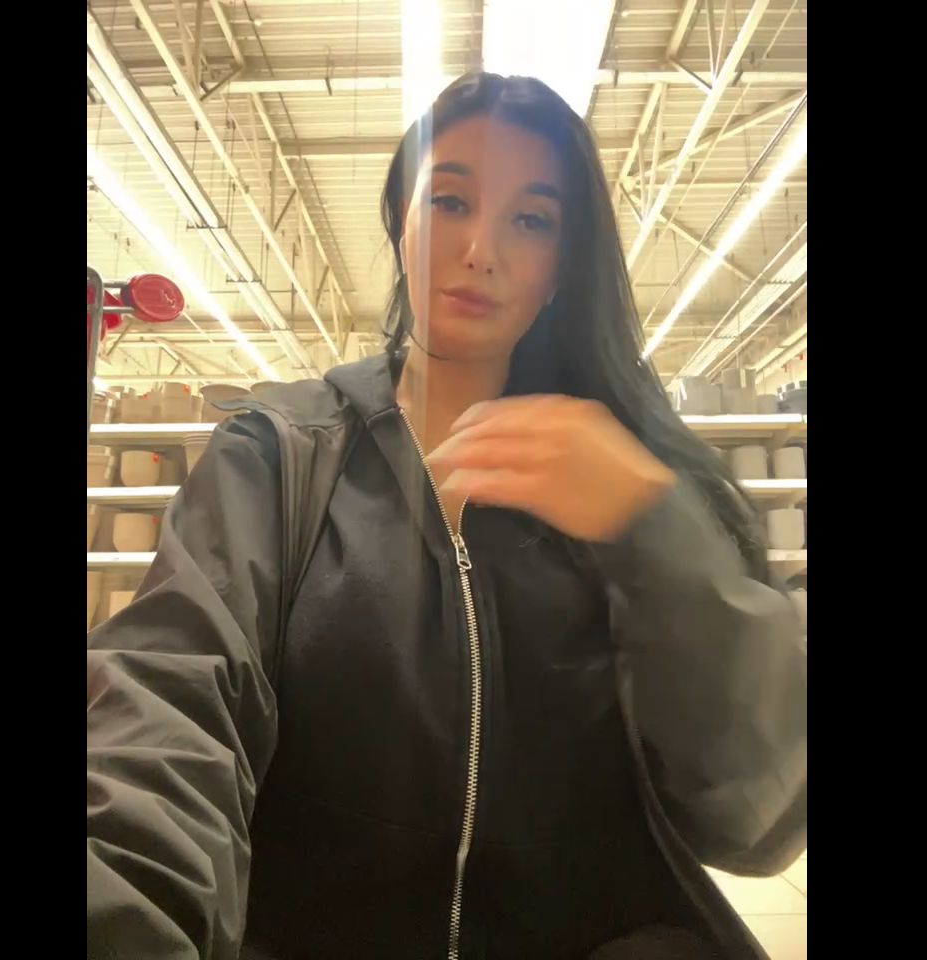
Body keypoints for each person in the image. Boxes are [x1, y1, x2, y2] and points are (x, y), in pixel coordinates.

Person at [87, 72, 807, 960]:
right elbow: (170, 701)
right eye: (451, 201)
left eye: (531, 220)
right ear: (400, 220)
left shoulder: (630, 482)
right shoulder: (279, 456)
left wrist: (655, 532)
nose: (480, 250)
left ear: (563, 266)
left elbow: (757, 817)